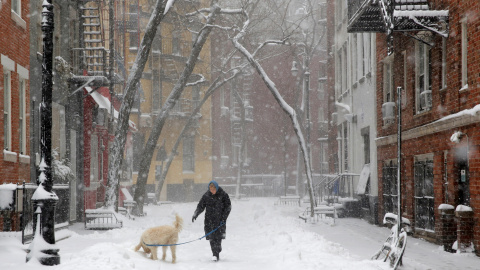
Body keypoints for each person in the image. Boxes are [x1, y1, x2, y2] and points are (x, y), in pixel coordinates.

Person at [192, 180, 231, 262]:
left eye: (213, 189)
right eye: (210, 189)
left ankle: (217, 250)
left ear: (216, 188)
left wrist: (224, 218)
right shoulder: (206, 195)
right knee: (211, 238)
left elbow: (228, 207)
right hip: (209, 220)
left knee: (218, 238)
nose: (212, 191)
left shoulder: (223, 195)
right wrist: (196, 213)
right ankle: (215, 254)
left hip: (220, 221)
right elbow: (200, 206)